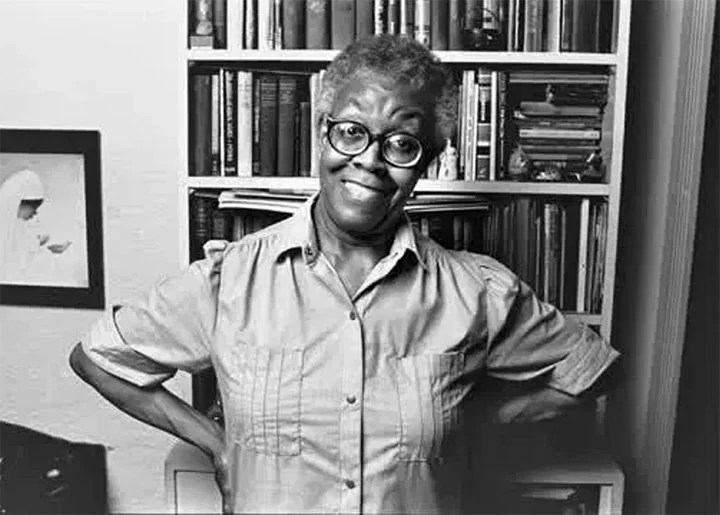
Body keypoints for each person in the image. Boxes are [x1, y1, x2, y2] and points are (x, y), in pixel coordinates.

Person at [69, 35, 620, 514]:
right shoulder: (228, 281)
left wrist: (474, 427)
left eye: (402, 144)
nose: (370, 160)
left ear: (428, 161)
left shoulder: (477, 293)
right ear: (321, 132)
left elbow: (593, 371)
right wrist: (217, 444)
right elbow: (99, 358)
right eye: (352, 131)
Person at [0, 169, 72, 283]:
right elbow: (16, 268)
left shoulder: (17, 227)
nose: (35, 213)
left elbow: (25, 251)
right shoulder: (5, 230)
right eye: (33, 208)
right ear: (18, 203)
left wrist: (46, 248)